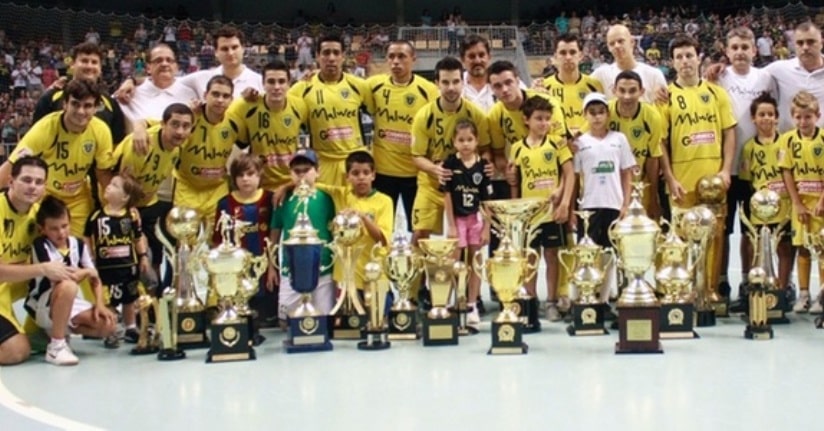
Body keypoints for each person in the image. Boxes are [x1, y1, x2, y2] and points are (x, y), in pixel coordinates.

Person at [659, 35, 736, 307]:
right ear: (672, 62)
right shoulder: (666, 96)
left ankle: (710, 293)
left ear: (699, 57)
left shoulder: (717, 93)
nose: (685, 61)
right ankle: (682, 291)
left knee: (714, 236)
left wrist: (726, 171)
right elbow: (661, 142)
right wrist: (669, 177)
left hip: (713, 179)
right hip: (682, 179)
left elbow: (729, 132)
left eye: (689, 55)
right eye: (679, 57)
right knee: (680, 237)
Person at [0, 79, 115, 238]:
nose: (81, 111)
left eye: (87, 106)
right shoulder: (45, 127)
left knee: (80, 249)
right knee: (31, 243)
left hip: (78, 197)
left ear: (96, 108)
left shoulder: (101, 131)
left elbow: (103, 173)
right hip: (45, 196)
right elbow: (13, 164)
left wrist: (116, 206)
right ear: (65, 104)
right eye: (75, 104)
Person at [718, 27, 776, 310]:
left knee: (752, 230)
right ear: (727, 51)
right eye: (735, 47)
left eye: (745, 47)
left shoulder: (765, 78)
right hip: (725, 168)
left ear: (755, 50)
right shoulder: (718, 77)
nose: (740, 52)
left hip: (757, 168)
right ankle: (720, 282)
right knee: (723, 229)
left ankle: (747, 281)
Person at [25, 196, 117, 366]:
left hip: (69, 300)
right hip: (42, 303)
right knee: (68, 286)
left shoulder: (78, 244)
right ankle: (56, 347)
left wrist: (100, 304)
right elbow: (61, 276)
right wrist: (87, 271)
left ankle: (51, 335)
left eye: (64, 226)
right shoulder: (40, 245)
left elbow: (95, 278)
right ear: (42, 229)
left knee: (108, 324)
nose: (61, 233)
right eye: (54, 229)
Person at [410, 56, 490, 244]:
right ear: (436, 83)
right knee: (420, 233)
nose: (451, 87)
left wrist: (487, 165)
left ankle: (462, 273)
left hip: (465, 185)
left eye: (455, 81)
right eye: (445, 82)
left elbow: (486, 149)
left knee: (468, 241)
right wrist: (435, 169)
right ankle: (415, 274)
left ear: (463, 82)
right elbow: (416, 156)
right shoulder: (424, 116)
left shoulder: (475, 114)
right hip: (431, 185)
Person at [509, 96, 574, 322]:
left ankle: (552, 301)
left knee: (552, 255)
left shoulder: (556, 143)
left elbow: (569, 173)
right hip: (530, 215)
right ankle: (530, 299)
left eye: (547, 119)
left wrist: (564, 200)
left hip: (552, 212)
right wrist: (516, 213)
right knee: (530, 257)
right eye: (538, 119)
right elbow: (515, 183)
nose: (544, 123)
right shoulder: (517, 148)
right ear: (526, 120)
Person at [0, 157, 69, 365]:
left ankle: (41, 332)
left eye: (39, 182)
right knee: (16, 351)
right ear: (11, 181)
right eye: (26, 180)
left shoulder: (41, 215)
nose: (33, 187)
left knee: (98, 324)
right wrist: (42, 268)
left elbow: (64, 251)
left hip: (15, 287)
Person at [114, 103, 194, 274]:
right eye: (175, 124)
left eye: (186, 126)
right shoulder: (142, 145)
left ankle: (156, 294)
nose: (180, 131)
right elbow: (122, 188)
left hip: (148, 203)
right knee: (132, 260)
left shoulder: (176, 149)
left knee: (160, 252)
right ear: (163, 124)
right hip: (122, 206)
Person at [367, 40, 439, 230]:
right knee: (381, 228)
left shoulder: (428, 90)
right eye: (391, 57)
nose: (395, 62)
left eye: (401, 57)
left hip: (415, 174)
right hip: (382, 172)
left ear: (413, 59)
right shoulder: (373, 86)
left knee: (419, 229)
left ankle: (417, 260)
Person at [573, 92, 636, 307]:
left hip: (614, 206)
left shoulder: (619, 139)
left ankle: (604, 299)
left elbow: (627, 172)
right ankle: (586, 297)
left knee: (610, 256)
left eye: (601, 112)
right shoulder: (579, 143)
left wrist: (626, 204)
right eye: (592, 113)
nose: (597, 117)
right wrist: (574, 209)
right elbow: (574, 176)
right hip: (589, 207)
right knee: (589, 255)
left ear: (607, 114)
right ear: (585, 115)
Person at [288, 34, 375, 187]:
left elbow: (380, 115)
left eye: (336, 53)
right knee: (326, 210)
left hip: (354, 163)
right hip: (323, 163)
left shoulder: (359, 86)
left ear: (343, 56)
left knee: (355, 210)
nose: (331, 58)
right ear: (317, 56)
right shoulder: (301, 89)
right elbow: (280, 111)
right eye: (326, 53)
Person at [738, 93, 793, 312]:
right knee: (757, 247)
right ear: (753, 118)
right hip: (760, 208)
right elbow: (747, 180)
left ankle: (782, 288)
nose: (766, 118)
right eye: (762, 114)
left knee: (784, 247)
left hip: (784, 205)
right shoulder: (749, 148)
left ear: (777, 118)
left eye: (771, 114)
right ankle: (757, 286)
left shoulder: (787, 142)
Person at [83, 173, 150, 348]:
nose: (108, 187)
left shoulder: (131, 216)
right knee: (108, 302)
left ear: (125, 197)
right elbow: (86, 237)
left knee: (129, 299)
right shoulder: (95, 215)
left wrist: (143, 257)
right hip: (105, 268)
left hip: (128, 267)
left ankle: (130, 327)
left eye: (114, 185)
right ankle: (110, 331)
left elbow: (137, 238)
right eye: (110, 183)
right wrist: (89, 257)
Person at [269, 149, 336, 321]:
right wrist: (271, 266)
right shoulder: (282, 199)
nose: (301, 175)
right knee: (286, 321)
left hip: (324, 268)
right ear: (290, 174)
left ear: (317, 171)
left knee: (323, 320)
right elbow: (275, 233)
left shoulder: (328, 198)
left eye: (306, 170)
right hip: (290, 269)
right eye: (296, 171)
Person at [316, 151, 393, 293]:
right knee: (346, 315)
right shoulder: (340, 195)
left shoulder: (385, 201)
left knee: (379, 315)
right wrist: (285, 187)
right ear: (348, 177)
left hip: (374, 276)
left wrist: (363, 217)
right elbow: (307, 182)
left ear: (373, 175)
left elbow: (382, 240)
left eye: (366, 172)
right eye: (355, 173)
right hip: (345, 279)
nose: (361, 177)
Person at [442, 120, 493, 329]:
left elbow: (487, 201)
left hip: (476, 220)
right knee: (455, 262)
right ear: (454, 142)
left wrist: (488, 228)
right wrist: (451, 225)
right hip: (458, 221)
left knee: (475, 263)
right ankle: (453, 301)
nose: (465, 144)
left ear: (476, 141)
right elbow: (447, 196)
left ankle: (471, 304)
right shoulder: (450, 165)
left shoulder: (483, 167)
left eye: (469, 140)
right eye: (461, 140)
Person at [227, 61, 308, 191]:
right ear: (263, 84)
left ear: (289, 84)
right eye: (271, 82)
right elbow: (225, 121)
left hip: (292, 183)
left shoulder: (300, 106)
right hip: (259, 185)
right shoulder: (247, 106)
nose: (276, 87)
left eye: (281, 81)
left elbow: (304, 140)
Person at [779, 91, 824, 314]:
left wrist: (822, 201)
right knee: (803, 248)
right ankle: (804, 294)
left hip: (820, 203)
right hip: (801, 204)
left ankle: (823, 295)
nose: (803, 121)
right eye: (798, 117)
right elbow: (787, 172)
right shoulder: (787, 140)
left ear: (818, 115)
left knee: (822, 249)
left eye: (808, 117)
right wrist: (796, 203)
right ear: (792, 117)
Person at [33, 42, 127, 144]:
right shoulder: (51, 98)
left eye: (94, 62)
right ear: (72, 65)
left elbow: (117, 143)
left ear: (100, 69)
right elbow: (35, 139)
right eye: (84, 61)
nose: (89, 66)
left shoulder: (110, 104)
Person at [173, 75, 239, 220]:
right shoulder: (189, 117)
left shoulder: (235, 122)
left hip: (217, 189)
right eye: (215, 94)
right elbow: (162, 126)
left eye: (225, 96)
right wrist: (140, 125)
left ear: (231, 100)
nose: (220, 100)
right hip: (187, 188)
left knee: (219, 239)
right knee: (186, 239)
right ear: (205, 95)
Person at [608, 70, 664, 219]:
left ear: (642, 91)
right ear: (614, 91)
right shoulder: (606, 113)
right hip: (610, 187)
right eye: (622, 90)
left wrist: (653, 198)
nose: (627, 96)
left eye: (632, 91)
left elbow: (653, 158)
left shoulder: (652, 116)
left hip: (640, 185)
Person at [541, 34, 603, 135]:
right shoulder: (544, 87)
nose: (568, 57)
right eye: (563, 53)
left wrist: (579, 134)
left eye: (573, 52)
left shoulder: (595, 85)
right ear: (555, 57)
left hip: (589, 145)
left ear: (580, 56)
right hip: (558, 147)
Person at [591, 25, 667, 103]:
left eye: (621, 41)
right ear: (608, 48)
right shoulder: (601, 75)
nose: (616, 46)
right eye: (612, 44)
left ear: (632, 42)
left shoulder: (654, 75)